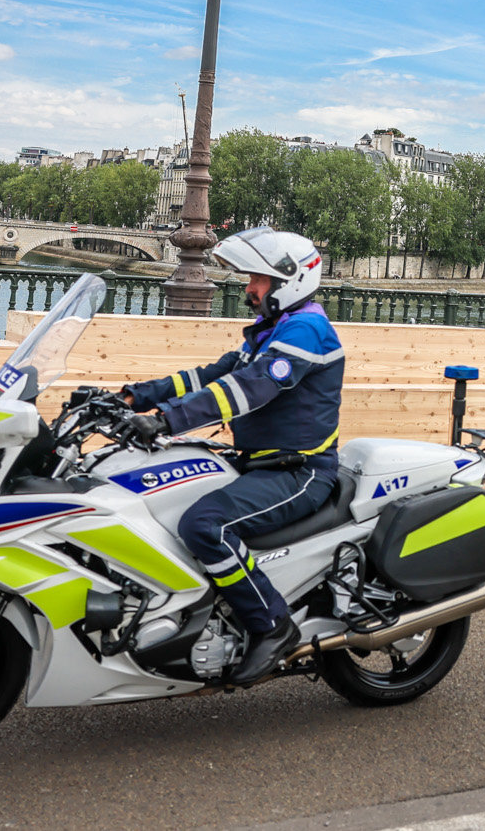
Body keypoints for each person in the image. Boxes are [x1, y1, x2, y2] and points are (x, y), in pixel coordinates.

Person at [122, 226, 343, 686]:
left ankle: (272, 625)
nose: (249, 290)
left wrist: (166, 421)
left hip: (299, 470)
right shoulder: (272, 330)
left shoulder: (307, 330)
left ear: (289, 281)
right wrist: (132, 397)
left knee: (205, 525)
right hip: (259, 459)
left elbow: (250, 388)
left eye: (257, 280)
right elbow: (210, 376)